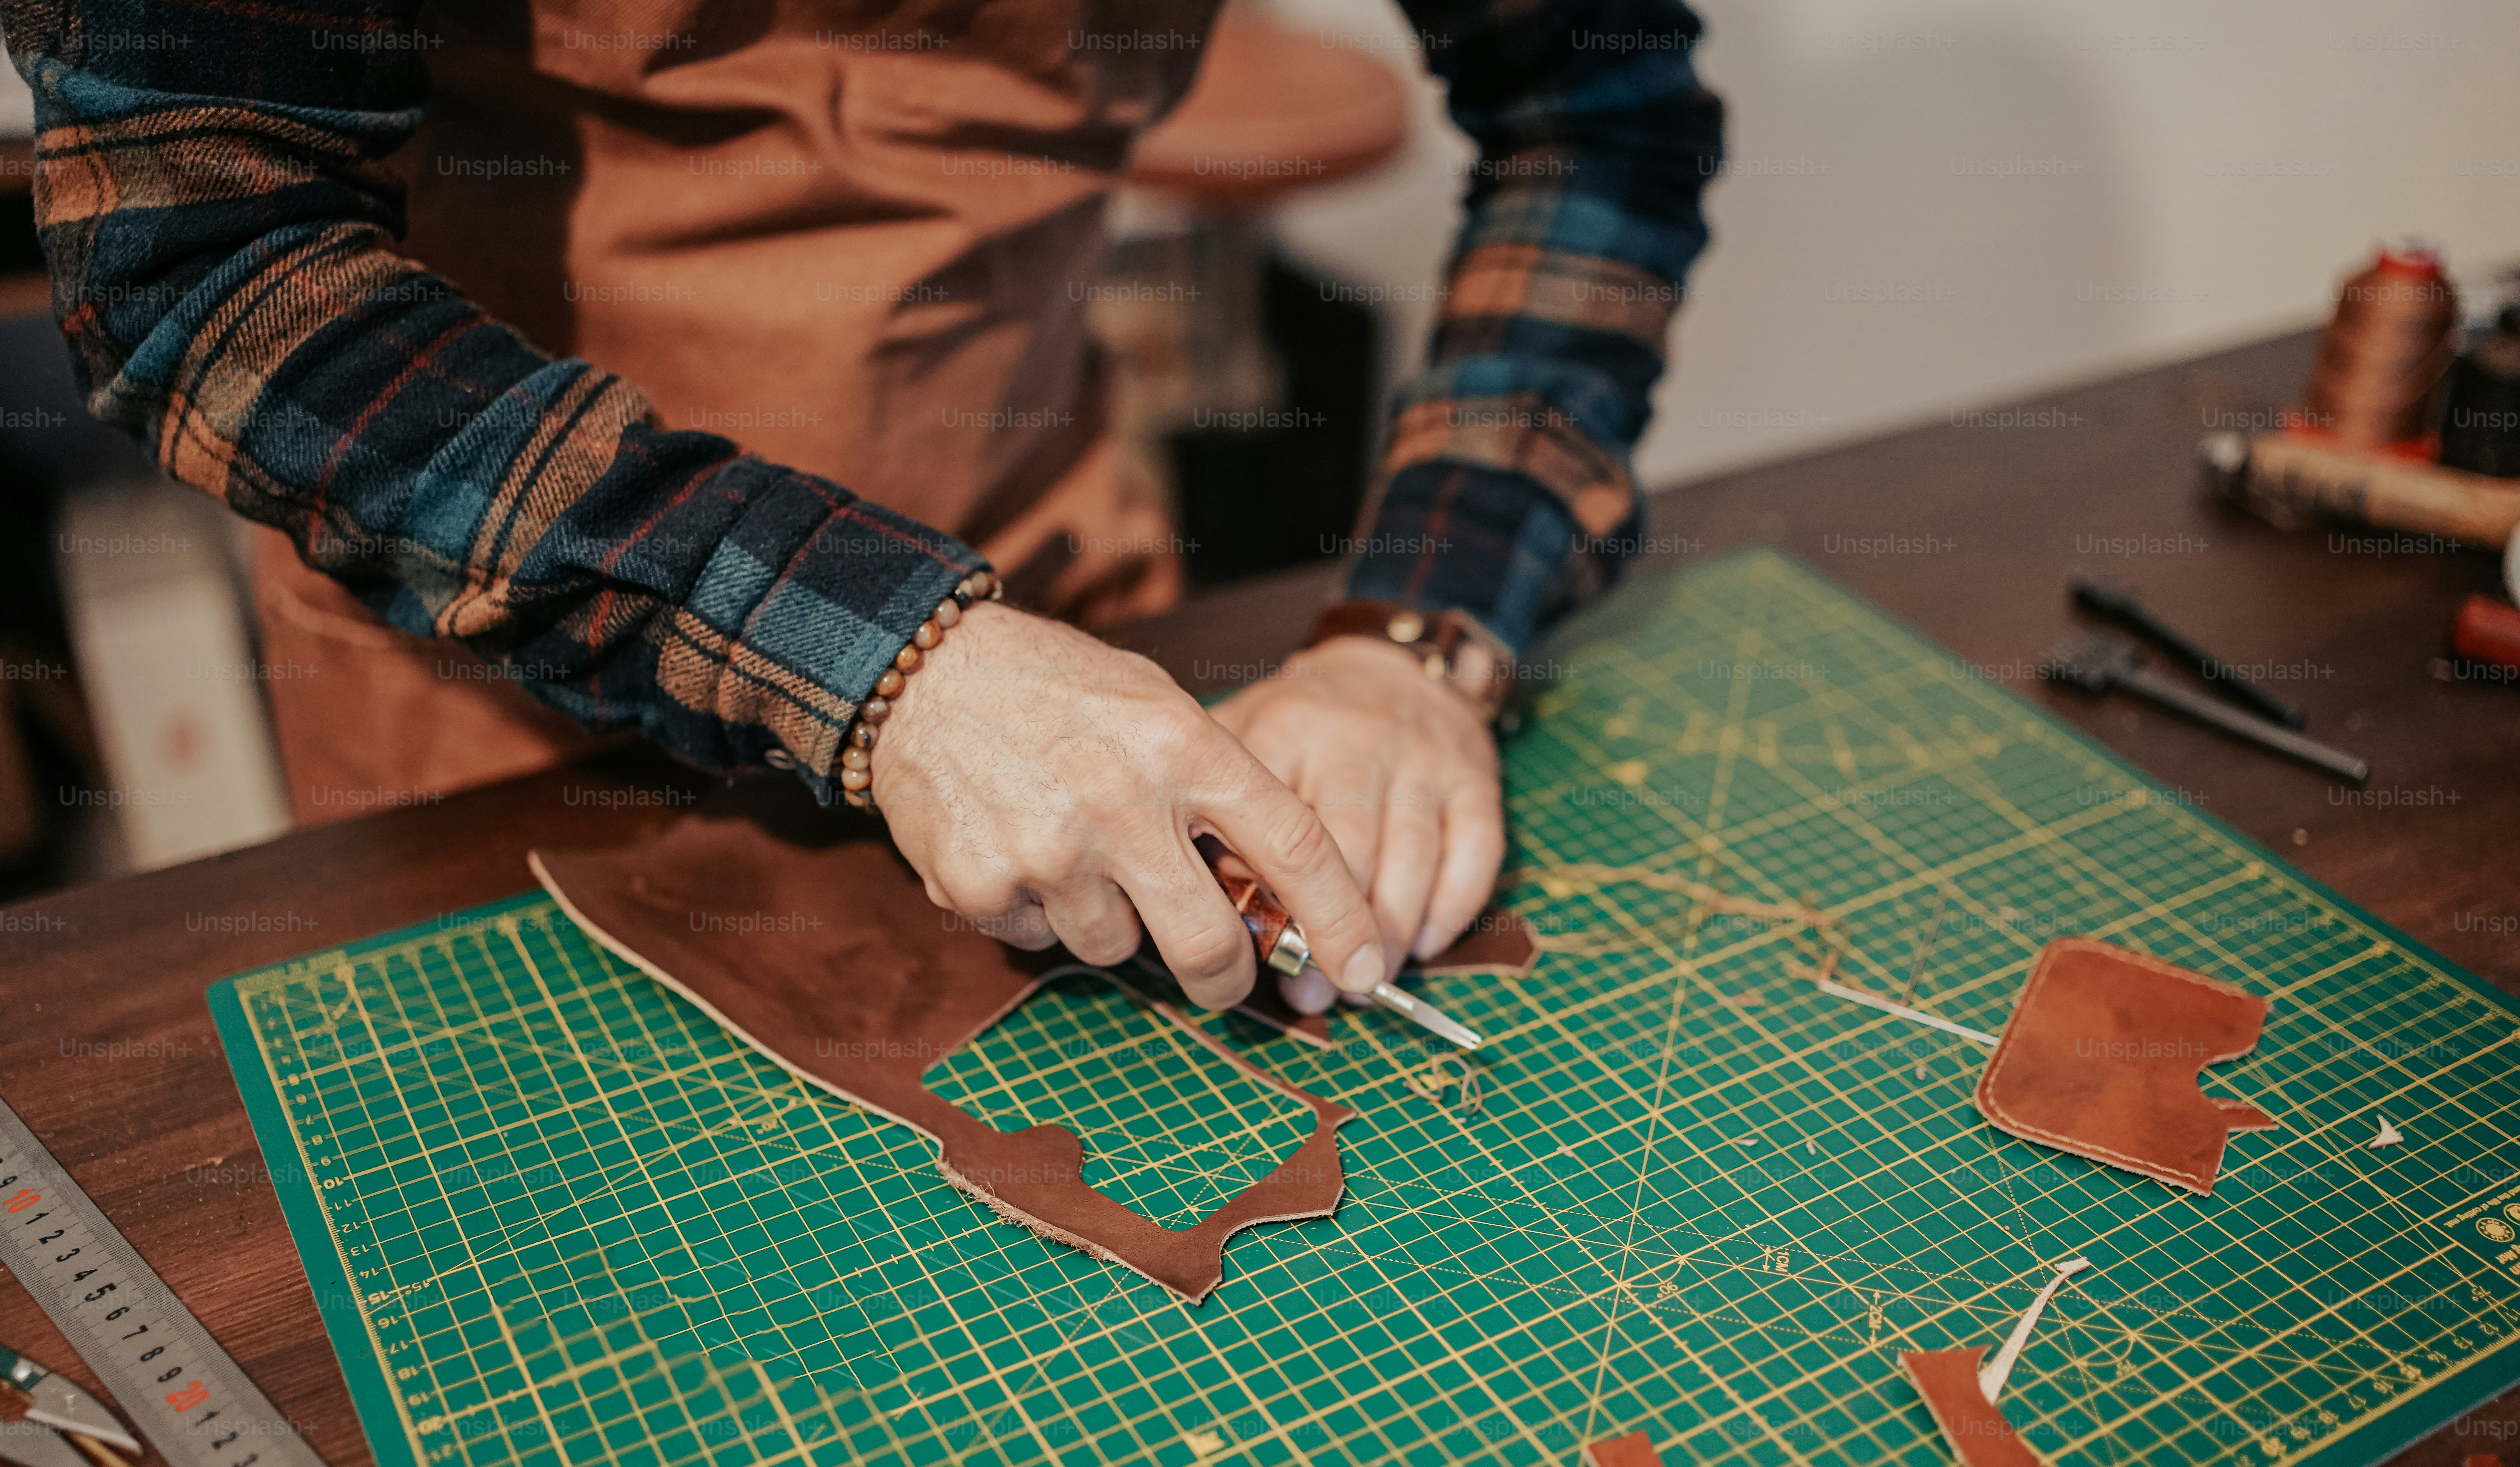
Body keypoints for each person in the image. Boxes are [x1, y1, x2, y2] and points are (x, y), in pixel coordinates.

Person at [1, 0, 1721, 1018]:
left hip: (1071, 603)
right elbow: (200, 263)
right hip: (506, 704)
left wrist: (1421, 626)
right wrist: (897, 667)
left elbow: (1598, 112)